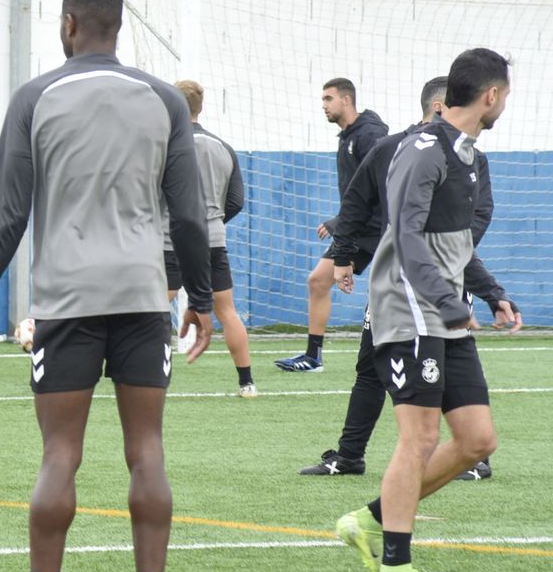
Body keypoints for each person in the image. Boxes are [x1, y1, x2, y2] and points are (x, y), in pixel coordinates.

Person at [0, 0, 213, 572]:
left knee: (61, 453)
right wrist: (200, 299)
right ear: (119, 27)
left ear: (68, 25)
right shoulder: (164, 102)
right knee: (146, 451)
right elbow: (188, 213)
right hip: (145, 299)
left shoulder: (35, 98)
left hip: (66, 304)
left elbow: (7, 215)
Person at [335, 49, 520, 572]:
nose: (505, 104)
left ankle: (370, 521)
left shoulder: (466, 155)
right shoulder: (423, 149)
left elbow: (452, 245)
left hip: (443, 308)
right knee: (419, 438)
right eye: (505, 96)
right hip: (409, 306)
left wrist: (491, 294)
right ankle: (395, 569)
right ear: (490, 96)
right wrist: (445, 297)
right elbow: (408, 236)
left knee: (477, 440)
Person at [300, 76, 499, 478]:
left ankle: (475, 455)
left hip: (444, 282)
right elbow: (357, 202)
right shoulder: (392, 148)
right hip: (395, 286)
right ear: (442, 107)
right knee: (369, 366)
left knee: (452, 362)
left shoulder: (472, 158)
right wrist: (343, 256)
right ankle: (350, 455)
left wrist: (458, 261)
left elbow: (481, 213)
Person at [275, 78, 386, 372]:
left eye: (328, 99)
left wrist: (341, 221)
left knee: (389, 289)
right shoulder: (348, 137)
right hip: (356, 228)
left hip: (373, 229)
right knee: (317, 281)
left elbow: (378, 186)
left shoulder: (370, 134)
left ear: (346, 100)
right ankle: (313, 356)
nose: (323, 105)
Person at [162, 79, 254, 398]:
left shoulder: (166, 144)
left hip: (170, 240)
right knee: (226, 309)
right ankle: (247, 382)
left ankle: (150, 374)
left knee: (154, 306)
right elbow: (236, 200)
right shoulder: (223, 147)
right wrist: (212, 222)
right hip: (213, 240)